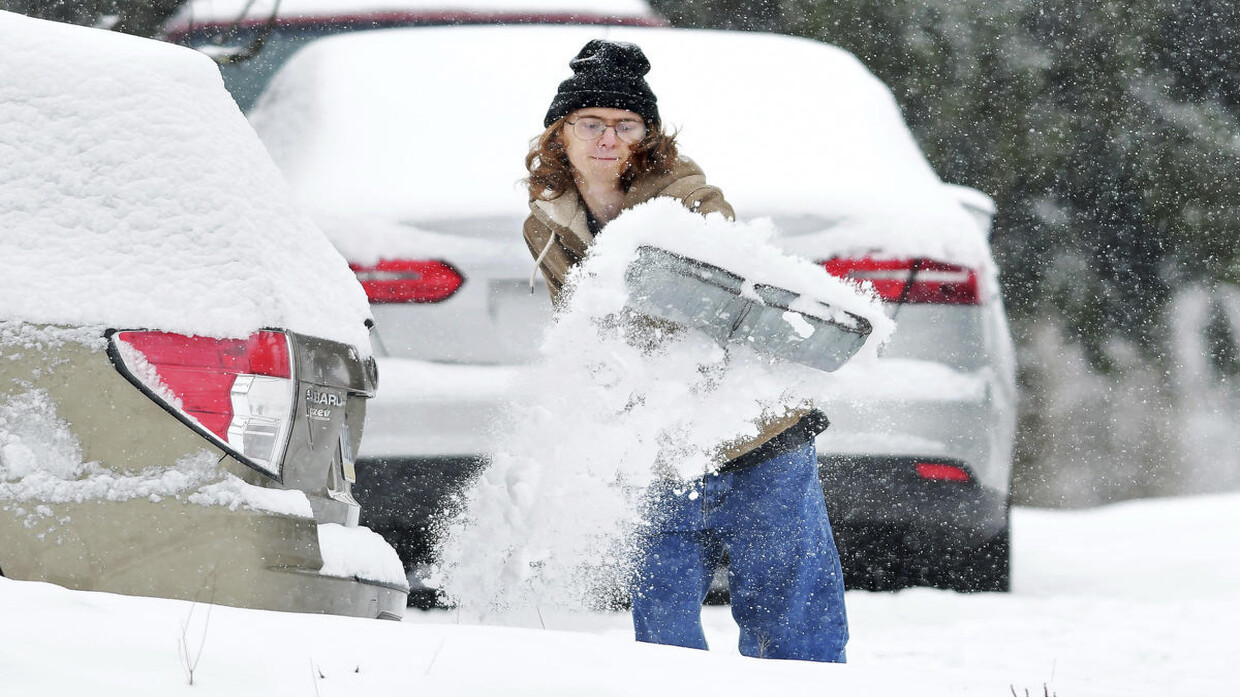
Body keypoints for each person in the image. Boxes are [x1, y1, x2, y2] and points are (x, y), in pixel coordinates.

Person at [522, 39, 848, 663]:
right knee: (663, 614)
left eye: (626, 125)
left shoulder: (690, 200)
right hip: (658, 439)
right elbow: (584, 328)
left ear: (647, 135)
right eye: (590, 123)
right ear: (560, 135)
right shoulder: (546, 220)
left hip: (757, 429)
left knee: (790, 608)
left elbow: (729, 302)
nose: (608, 139)